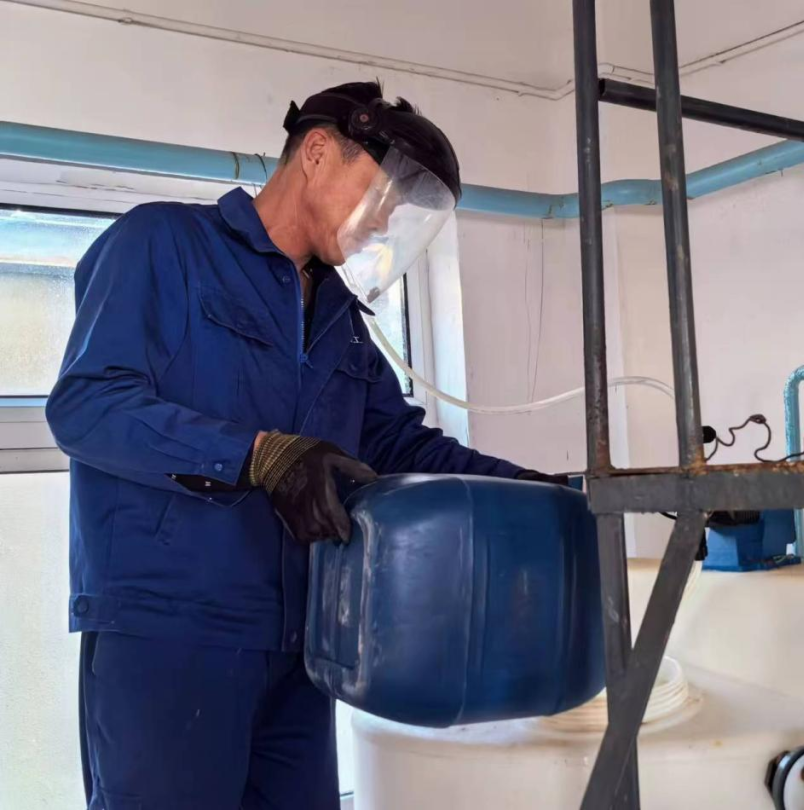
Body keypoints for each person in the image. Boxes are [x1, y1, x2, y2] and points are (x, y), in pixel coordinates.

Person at [47, 81, 563, 810]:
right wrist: (257, 455)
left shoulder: (339, 320)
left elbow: (401, 447)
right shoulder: (163, 244)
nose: (384, 222)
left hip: (302, 644)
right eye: (382, 195)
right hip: (171, 638)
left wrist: (549, 493)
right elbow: (88, 406)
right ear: (317, 153)